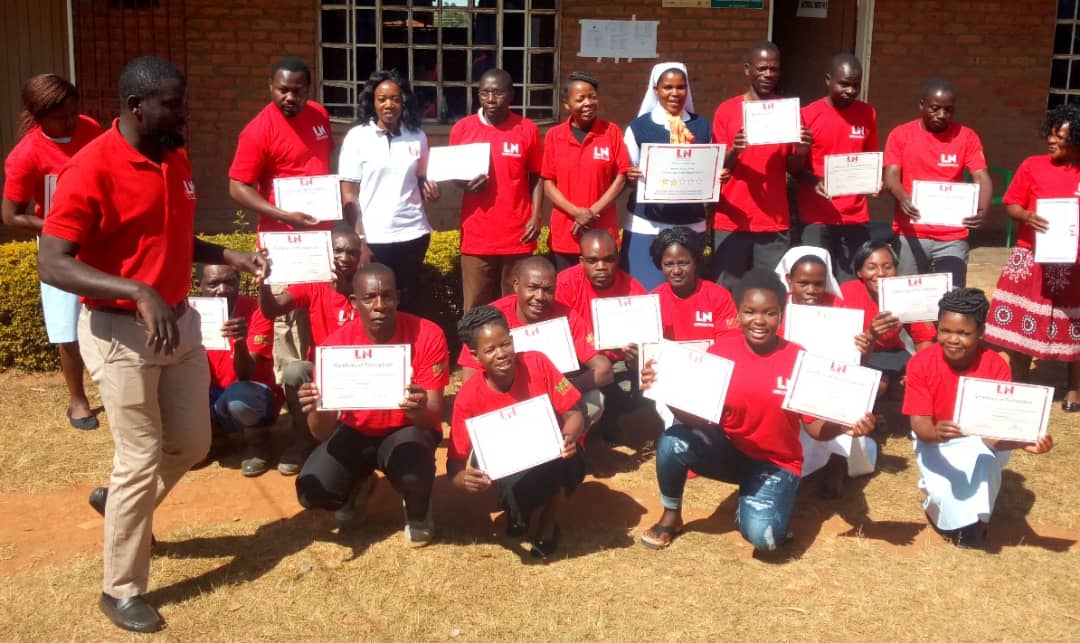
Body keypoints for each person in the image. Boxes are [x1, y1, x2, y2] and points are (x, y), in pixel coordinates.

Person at [37, 57, 268, 633]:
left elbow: (170, 234)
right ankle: (120, 590)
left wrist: (227, 255)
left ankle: (119, 504)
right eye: (173, 103)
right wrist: (137, 291)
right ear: (137, 106)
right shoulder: (90, 170)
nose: (183, 112)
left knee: (190, 442)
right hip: (119, 332)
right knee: (139, 458)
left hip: (179, 324)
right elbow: (53, 263)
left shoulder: (173, 155)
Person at [639, 269, 875, 551]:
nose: (759, 321)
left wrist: (844, 425)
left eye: (769, 313)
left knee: (765, 540)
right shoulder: (721, 351)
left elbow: (815, 429)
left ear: (781, 315)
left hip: (775, 463)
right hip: (728, 452)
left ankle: (755, 504)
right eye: (750, 311)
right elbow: (700, 420)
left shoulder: (799, 358)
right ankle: (672, 515)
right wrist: (665, 390)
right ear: (738, 314)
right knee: (672, 441)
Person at [294, 264, 449, 547]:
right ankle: (359, 486)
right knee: (311, 491)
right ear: (354, 302)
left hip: (405, 428)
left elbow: (435, 413)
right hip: (356, 430)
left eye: (388, 296)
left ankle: (417, 510)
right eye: (370, 298)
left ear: (398, 298)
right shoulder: (334, 348)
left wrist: (420, 408)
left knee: (415, 473)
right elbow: (320, 432)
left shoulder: (427, 334)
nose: (380, 305)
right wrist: (319, 407)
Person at [904, 288, 1053, 548]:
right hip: (935, 440)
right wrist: (938, 433)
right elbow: (920, 424)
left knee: (983, 464)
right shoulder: (921, 363)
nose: (953, 339)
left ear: (981, 332)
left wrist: (1021, 442)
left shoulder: (996, 365)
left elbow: (992, 436)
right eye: (946, 330)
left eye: (964, 333)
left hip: (983, 441)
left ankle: (977, 525)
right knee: (942, 493)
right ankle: (935, 501)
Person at [2, 73, 102, 430]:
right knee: (66, 326)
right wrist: (59, 227)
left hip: (100, 237)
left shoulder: (90, 129)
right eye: (61, 117)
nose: (71, 122)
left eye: (74, 113)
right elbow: (11, 214)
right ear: (37, 115)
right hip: (59, 245)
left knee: (114, 309)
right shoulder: (25, 156)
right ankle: (78, 399)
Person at [228, 57, 332, 395]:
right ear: (270, 87)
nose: (289, 97)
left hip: (320, 240)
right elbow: (237, 186)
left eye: (296, 90)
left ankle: (326, 391)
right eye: (282, 89)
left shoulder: (319, 115)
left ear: (308, 89)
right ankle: (294, 406)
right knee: (286, 323)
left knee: (321, 314)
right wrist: (286, 215)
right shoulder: (258, 130)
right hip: (284, 245)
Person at [449, 306, 586, 558]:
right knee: (515, 497)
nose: (501, 354)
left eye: (505, 344)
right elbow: (454, 463)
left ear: (512, 340)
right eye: (490, 350)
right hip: (506, 461)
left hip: (549, 450)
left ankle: (548, 522)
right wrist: (463, 480)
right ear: (475, 355)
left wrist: (569, 436)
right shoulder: (467, 398)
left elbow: (575, 413)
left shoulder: (537, 362)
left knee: (572, 463)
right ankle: (516, 510)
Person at [984, 103, 1080, 412]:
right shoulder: (1032, 165)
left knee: (1074, 326)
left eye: (1061, 137)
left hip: (1073, 263)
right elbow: (1012, 204)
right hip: (1031, 257)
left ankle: (1074, 391)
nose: (1052, 141)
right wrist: (1027, 215)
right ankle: (1021, 386)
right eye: (1050, 135)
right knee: (1022, 326)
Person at [457, 256, 613, 425]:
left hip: (558, 395)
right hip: (505, 402)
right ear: (516, 285)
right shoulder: (490, 321)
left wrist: (561, 388)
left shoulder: (567, 315)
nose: (540, 296)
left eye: (548, 290)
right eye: (532, 287)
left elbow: (604, 370)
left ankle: (570, 443)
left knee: (595, 400)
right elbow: (470, 383)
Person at [258, 230, 363, 475]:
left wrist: (349, 291)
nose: (344, 257)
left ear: (360, 257)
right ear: (328, 252)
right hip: (323, 373)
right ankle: (304, 439)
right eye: (338, 250)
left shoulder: (368, 286)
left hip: (360, 371)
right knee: (295, 371)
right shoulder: (315, 284)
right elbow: (273, 310)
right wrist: (264, 284)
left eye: (352, 252)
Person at [775, 248, 875, 499]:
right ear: (789, 280)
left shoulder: (839, 308)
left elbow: (854, 359)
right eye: (803, 283)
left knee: (838, 401)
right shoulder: (776, 306)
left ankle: (837, 462)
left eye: (819, 284)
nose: (811, 290)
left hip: (827, 379)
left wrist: (865, 347)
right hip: (786, 379)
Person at [712, 41, 812, 289]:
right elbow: (716, 168)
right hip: (733, 220)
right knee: (728, 292)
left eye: (774, 69)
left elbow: (794, 170)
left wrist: (801, 151)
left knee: (769, 293)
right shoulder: (727, 111)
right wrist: (735, 149)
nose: (768, 74)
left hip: (773, 222)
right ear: (747, 69)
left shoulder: (788, 112)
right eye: (762, 68)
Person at [338, 70, 438, 305]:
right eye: (382, 99)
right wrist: (360, 239)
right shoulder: (357, 138)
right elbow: (348, 193)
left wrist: (431, 192)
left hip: (413, 233)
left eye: (395, 98)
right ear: (372, 102)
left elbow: (421, 179)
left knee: (407, 300)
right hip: (374, 237)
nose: (389, 105)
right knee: (376, 300)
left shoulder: (417, 137)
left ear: (404, 102)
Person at [883, 79, 992, 287]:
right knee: (909, 301)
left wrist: (983, 210)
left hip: (952, 236)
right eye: (935, 108)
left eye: (948, 110)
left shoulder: (966, 137)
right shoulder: (901, 135)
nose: (942, 115)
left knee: (951, 297)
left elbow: (981, 176)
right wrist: (903, 197)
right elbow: (891, 175)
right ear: (922, 105)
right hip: (911, 233)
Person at [449, 68, 543, 311]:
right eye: (484, 94)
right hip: (477, 235)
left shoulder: (527, 129)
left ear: (511, 95)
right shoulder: (463, 129)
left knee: (517, 305)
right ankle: (473, 351)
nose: (490, 100)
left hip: (518, 235)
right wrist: (466, 183)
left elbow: (537, 176)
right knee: (476, 308)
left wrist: (536, 215)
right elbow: (454, 175)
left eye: (498, 93)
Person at [622, 62, 712, 290]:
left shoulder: (702, 127)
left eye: (681, 87)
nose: (674, 93)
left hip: (691, 223)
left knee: (686, 293)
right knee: (644, 290)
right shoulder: (639, 128)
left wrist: (715, 175)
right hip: (647, 224)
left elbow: (708, 168)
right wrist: (630, 176)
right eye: (667, 87)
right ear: (655, 90)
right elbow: (625, 172)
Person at [555, 229, 647, 440]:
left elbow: (648, 348)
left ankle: (610, 425)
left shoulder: (635, 291)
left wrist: (637, 357)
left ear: (618, 259)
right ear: (581, 261)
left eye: (609, 260)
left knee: (637, 389)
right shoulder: (564, 285)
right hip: (577, 367)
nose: (601, 267)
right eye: (593, 260)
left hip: (618, 366)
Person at [795, 54, 879, 282]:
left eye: (855, 85)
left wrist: (874, 180)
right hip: (817, 217)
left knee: (852, 284)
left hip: (855, 216)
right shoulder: (808, 115)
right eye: (844, 84)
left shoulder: (868, 113)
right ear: (828, 80)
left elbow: (869, 158)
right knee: (815, 282)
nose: (850, 90)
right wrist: (814, 182)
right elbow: (793, 168)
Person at [196, 264, 281, 477]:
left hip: (251, 393)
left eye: (230, 282)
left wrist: (240, 341)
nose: (223, 289)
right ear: (199, 286)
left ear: (239, 283)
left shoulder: (257, 311)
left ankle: (258, 443)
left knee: (239, 396)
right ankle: (216, 441)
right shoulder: (191, 313)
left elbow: (245, 374)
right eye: (214, 284)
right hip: (211, 392)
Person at [542, 71, 630, 271]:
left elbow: (621, 177)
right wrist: (576, 212)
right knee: (566, 293)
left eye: (592, 97)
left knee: (601, 292)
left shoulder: (611, 131)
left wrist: (592, 212)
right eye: (580, 99)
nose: (588, 103)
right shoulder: (555, 136)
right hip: (567, 231)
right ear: (567, 105)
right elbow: (548, 183)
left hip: (602, 230)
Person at [840, 240, 936, 392]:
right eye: (871, 267)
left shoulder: (905, 293)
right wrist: (870, 335)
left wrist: (918, 372)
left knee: (913, 385)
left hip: (894, 354)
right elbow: (842, 345)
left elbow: (924, 339)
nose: (880, 274)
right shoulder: (846, 294)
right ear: (859, 272)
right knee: (878, 386)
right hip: (860, 355)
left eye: (888, 267)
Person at [650, 226, 738, 344]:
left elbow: (729, 342)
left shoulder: (719, 297)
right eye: (668, 264)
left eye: (683, 263)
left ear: (696, 262)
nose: (676, 271)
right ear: (660, 265)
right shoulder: (653, 301)